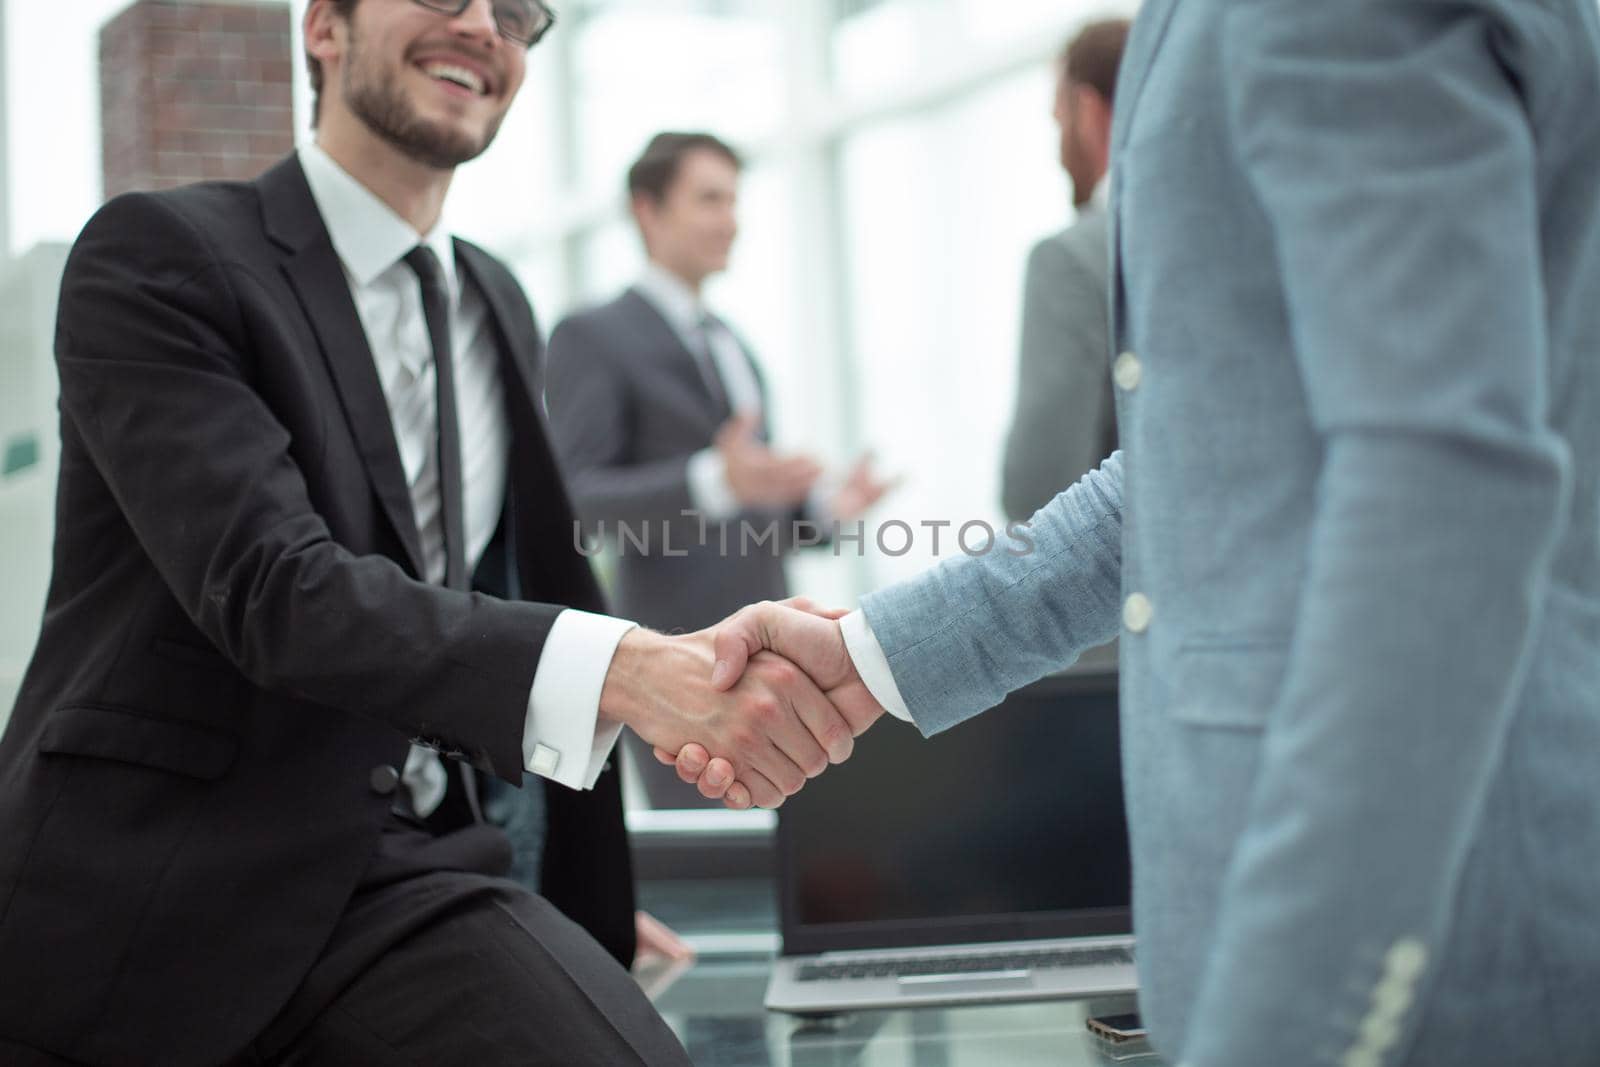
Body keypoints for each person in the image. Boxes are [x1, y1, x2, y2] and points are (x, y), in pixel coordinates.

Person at [667, 2, 1600, 1065]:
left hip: (1408, 936)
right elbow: (1186, 470)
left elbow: (1440, 498)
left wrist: (1292, 1021)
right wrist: (872, 652)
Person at [0, 1, 855, 1063]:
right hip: (174, 885)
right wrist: (630, 670)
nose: (480, 26)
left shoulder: (493, 298)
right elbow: (277, 588)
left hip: (419, 876)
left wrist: (563, 908)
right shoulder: (164, 256)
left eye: (513, 12)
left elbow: (494, 589)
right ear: (324, 26)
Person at [544, 131, 891, 803]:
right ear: (647, 209)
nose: (731, 219)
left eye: (734, 200)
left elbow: (755, 506)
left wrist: (822, 510)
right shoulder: (592, 336)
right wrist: (712, 479)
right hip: (681, 659)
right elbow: (578, 498)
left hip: (774, 652)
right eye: (709, 199)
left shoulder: (734, 343)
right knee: (714, 868)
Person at [1000, 18, 1129, 525]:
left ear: (1089, 111)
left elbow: (1038, 495)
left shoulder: (1074, 260)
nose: (1058, 155)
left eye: (1058, 121)